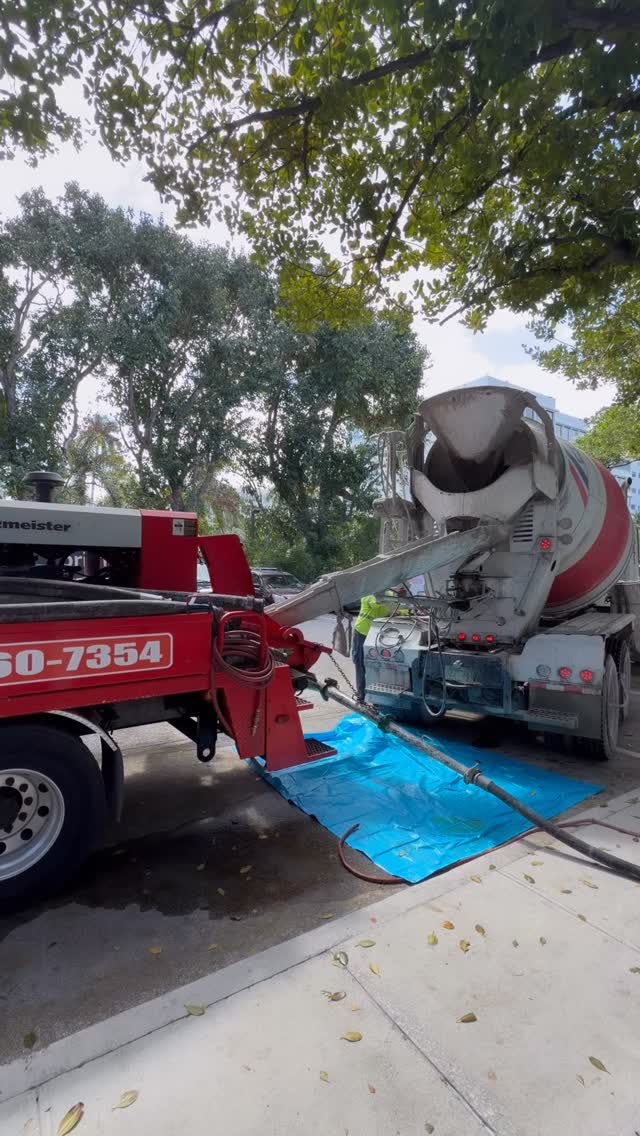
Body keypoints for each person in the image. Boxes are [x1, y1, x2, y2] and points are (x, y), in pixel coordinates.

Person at [351, 586, 409, 703]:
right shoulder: (368, 594)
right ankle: (361, 695)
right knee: (360, 663)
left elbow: (400, 609)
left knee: (376, 665)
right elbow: (376, 602)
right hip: (362, 632)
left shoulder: (390, 594)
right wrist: (397, 598)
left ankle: (375, 696)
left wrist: (402, 601)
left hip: (377, 635)